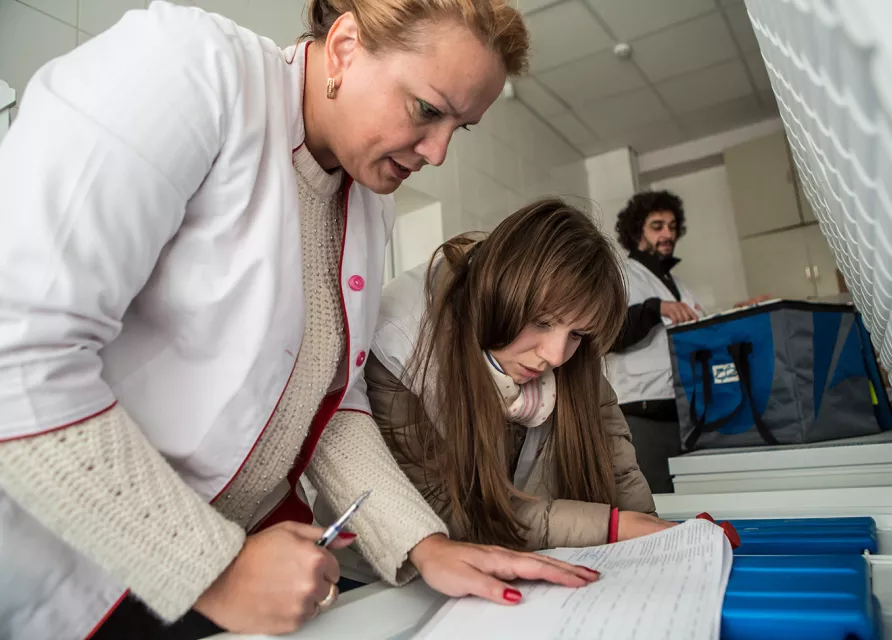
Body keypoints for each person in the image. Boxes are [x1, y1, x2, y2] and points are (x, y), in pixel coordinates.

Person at [0, 2, 601, 639]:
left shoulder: (368, 203)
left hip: (234, 560)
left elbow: (330, 403)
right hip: (79, 558)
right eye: (427, 109)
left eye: (461, 127)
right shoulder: (192, 68)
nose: (438, 152)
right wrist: (216, 571)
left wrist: (423, 542)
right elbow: (19, 355)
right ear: (344, 47)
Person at [360, 199, 676, 566]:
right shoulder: (399, 342)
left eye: (576, 333)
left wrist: (655, 535)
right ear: (498, 295)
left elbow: (617, 463)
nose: (555, 356)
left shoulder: (574, 347)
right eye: (542, 322)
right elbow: (442, 514)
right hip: (383, 574)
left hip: (496, 559)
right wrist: (610, 527)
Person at [605, 190, 768, 493]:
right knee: (654, 503)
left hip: (686, 413)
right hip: (641, 416)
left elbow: (702, 335)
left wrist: (740, 313)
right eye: (657, 226)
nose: (668, 234)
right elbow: (606, 332)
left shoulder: (679, 286)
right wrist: (655, 308)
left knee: (691, 500)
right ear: (636, 231)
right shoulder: (620, 275)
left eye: (672, 226)